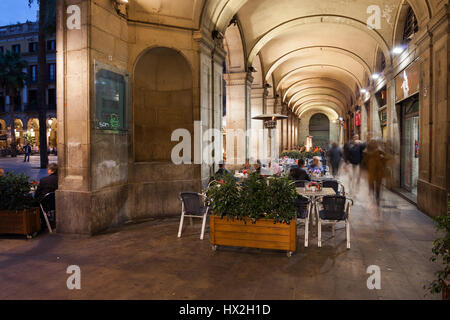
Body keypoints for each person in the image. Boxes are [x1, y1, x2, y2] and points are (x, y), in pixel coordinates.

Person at [363, 140, 386, 206]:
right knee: (374, 184)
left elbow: (385, 157)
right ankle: (375, 195)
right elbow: (365, 161)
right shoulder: (371, 152)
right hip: (374, 171)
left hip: (377, 171)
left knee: (376, 184)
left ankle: (376, 196)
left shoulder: (378, 151)